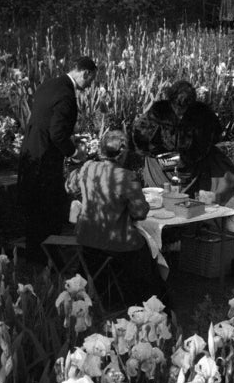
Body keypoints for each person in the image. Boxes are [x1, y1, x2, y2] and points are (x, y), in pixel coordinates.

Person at [65, 129, 164, 304]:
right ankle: (151, 299)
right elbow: (140, 213)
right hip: (116, 241)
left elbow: (70, 187)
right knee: (147, 250)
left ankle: (108, 292)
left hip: (87, 238)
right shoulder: (125, 176)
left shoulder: (88, 167)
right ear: (122, 153)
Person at [17, 56, 97, 261]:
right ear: (85, 73)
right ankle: (48, 257)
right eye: (90, 80)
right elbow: (57, 134)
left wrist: (70, 137)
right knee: (47, 208)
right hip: (45, 159)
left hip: (30, 151)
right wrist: (74, 152)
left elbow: (45, 120)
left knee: (33, 208)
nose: (89, 86)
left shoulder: (50, 84)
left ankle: (35, 253)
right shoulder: (66, 95)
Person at [133, 80, 234, 204]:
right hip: (159, 167)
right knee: (162, 199)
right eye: (177, 106)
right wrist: (156, 153)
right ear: (171, 100)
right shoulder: (159, 111)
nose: (180, 111)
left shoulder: (203, 113)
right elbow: (139, 136)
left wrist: (192, 155)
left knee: (194, 201)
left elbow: (215, 135)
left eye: (184, 107)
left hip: (192, 167)